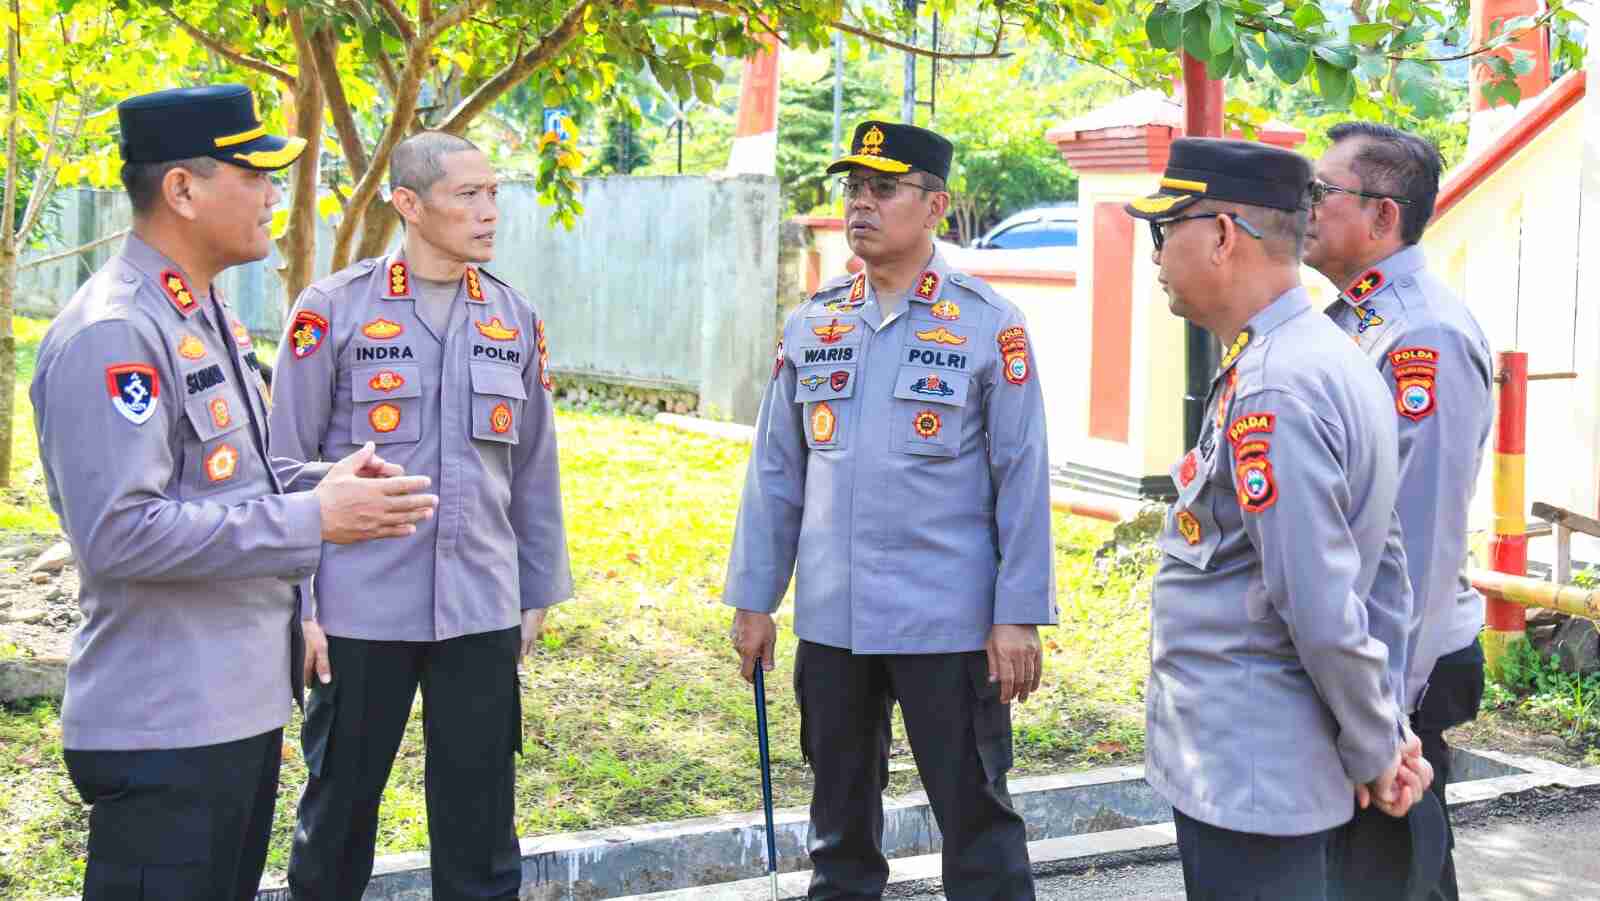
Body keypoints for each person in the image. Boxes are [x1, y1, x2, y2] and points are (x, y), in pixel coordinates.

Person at [32, 84, 439, 901]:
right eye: (251, 172)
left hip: (229, 713)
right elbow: (121, 533)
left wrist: (322, 483)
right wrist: (311, 518)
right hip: (164, 725)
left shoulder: (200, 311)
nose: (271, 194)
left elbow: (225, 484)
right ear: (181, 190)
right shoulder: (118, 330)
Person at [724, 120, 1057, 900]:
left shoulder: (988, 324)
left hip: (948, 623)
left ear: (936, 204)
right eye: (852, 188)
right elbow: (776, 472)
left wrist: (1018, 614)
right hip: (835, 626)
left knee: (977, 825)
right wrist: (755, 598)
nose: (861, 204)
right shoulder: (815, 323)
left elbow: (1022, 476)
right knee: (838, 834)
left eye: (883, 187)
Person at [1123, 137, 1434, 900]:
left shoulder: (1274, 386)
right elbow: (1385, 573)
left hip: (1253, 770)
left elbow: (1323, 606)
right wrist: (1386, 729)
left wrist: (1374, 748)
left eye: (1167, 232)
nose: (1157, 256)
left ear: (1224, 235)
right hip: (1271, 764)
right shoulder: (1325, 353)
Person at [269, 130, 573, 901]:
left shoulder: (514, 316)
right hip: (357, 611)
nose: (489, 212)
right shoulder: (331, 311)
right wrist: (299, 606)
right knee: (337, 819)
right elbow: (282, 469)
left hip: (478, 608)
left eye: (494, 192)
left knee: (481, 831)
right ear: (409, 203)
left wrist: (534, 591)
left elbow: (534, 469)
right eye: (468, 194)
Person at [1307, 122, 1493, 901]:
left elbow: (1421, 542)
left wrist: (1383, 712)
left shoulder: (1426, 336)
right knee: (1385, 871)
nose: (1306, 207)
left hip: (1402, 665)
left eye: (1323, 193)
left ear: (1384, 216)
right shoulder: (1354, 318)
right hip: (1366, 652)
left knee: (1392, 871)